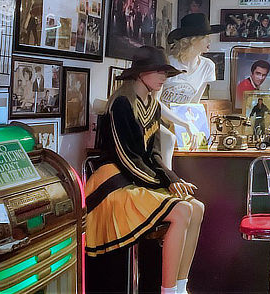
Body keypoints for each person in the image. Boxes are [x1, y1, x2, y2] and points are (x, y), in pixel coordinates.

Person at [85, 46, 203, 294]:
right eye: (159, 72)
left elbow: (154, 154)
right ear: (140, 74)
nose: (164, 77)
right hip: (112, 183)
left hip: (136, 179)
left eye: (166, 73)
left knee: (197, 207)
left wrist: (171, 179)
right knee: (181, 211)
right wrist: (161, 185)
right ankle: (168, 290)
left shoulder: (153, 105)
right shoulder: (120, 104)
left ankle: (181, 287)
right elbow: (125, 157)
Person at [158, 13, 223, 166]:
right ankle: (169, 182)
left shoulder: (208, 66)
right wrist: (184, 124)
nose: (210, 40)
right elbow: (154, 103)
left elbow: (193, 104)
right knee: (168, 139)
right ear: (193, 39)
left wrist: (192, 126)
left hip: (181, 123)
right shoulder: (167, 63)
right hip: (157, 120)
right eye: (206, 36)